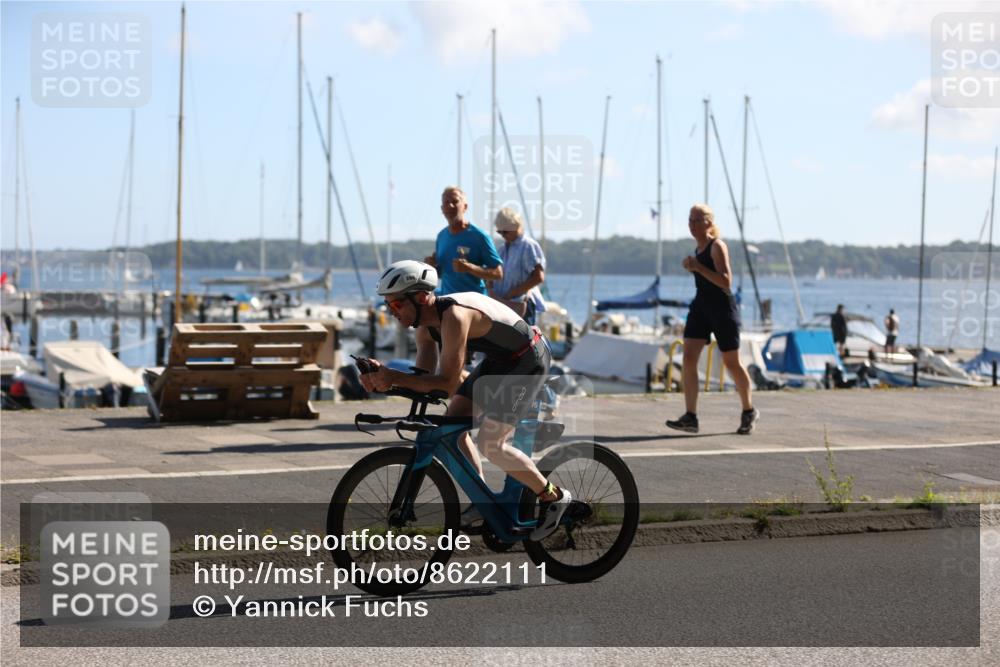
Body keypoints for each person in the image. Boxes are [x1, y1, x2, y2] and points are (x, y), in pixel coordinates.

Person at [358, 259, 570, 541]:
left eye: (396, 304)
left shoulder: (455, 317)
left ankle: (553, 496)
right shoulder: (424, 327)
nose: (391, 311)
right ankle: (483, 502)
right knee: (453, 427)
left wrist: (394, 377)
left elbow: (446, 383)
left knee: (490, 443)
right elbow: (424, 381)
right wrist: (383, 381)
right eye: (388, 305)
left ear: (421, 297)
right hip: (498, 361)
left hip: (527, 359)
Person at [666, 204, 759, 435]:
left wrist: (698, 267)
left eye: (697, 220)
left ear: (708, 223)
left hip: (722, 309)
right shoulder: (697, 249)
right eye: (690, 220)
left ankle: (748, 410)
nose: (692, 225)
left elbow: (726, 282)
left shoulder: (717, 246)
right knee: (688, 358)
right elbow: (705, 276)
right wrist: (693, 267)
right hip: (701, 307)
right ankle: (690, 416)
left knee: (731, 362)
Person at [424, 186, 503, 296]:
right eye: (446, 202)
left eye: (455, 201)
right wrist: (431, 266)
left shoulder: (479, 236)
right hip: (448, 300)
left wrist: (470, 268)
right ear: (442, 209)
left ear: (465, 207)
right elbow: (446, 273)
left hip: (473, 302)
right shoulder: (441, 236)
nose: (450, 205)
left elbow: (498, 274)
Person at [489, 207, 546, 325]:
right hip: (501, 306)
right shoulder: (501, 249)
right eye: (500, 232)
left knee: (523, 336)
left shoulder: (528, 246)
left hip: (521, 305)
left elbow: (538, 277)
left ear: (515, 226)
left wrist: (513, 293)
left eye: (505, 231)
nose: (502, 235)